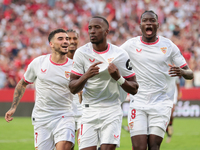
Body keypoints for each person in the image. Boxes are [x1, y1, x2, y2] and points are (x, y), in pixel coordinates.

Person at [120, 10, 194, 150]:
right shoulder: (130, 45)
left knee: (154, 146)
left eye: (152, 20)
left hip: (161, 103)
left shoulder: (168, 45)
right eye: (145, 21)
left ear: (158, 25)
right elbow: (113, 58)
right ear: (140, 24)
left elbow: (190, 73)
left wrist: (182, 71)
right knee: (139, 147)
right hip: (138, 102)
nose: (149, 23)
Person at [69, 16, 139, 150]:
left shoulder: (120, 54)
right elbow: (72, 87)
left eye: (97, 27)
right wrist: (86, 76)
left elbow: (134, 88)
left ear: (106, 32)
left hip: (111, 109)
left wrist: (118, 77)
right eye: (90, 28)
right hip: (89, 110)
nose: (92, 31)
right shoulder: (81, 53)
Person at [5, 29, 75, 150]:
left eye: (67, 39)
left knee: (64, 147)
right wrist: (13, 107)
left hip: (64, 115)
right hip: (42, 118)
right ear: (51, 44)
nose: (66, 42)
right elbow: (22, 84)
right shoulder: (38, 62)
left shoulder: (74, 66)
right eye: (61, 39)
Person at [66, 29, 83, 150]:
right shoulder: (59, 62)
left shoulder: (85, 60)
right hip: (66, 111)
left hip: (84, 111)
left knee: (85, 146)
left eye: (74, 38)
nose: (72, 41)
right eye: (68, 38)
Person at [166, 76, 181, 143]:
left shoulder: (174, 72)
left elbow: (177, 83)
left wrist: (179, 94)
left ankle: (170, 125)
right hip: (165, 93)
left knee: (171, 114)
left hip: (174, 93)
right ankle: (168, 131)